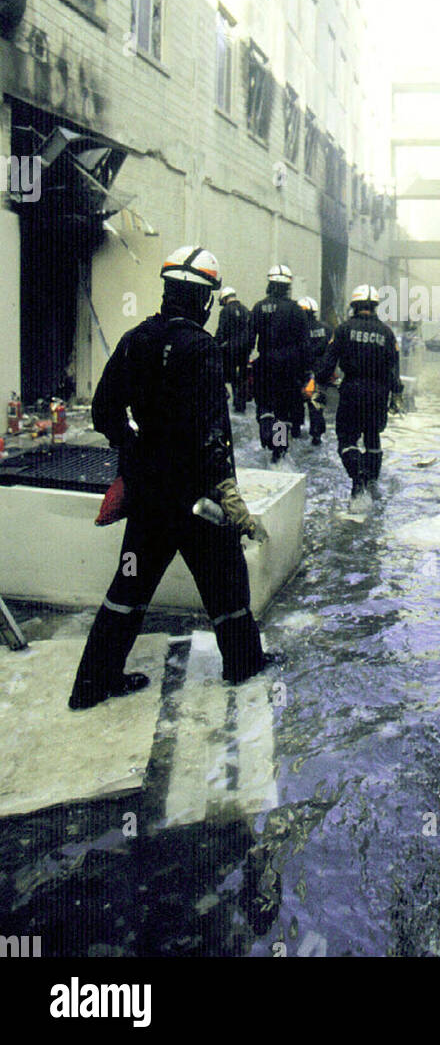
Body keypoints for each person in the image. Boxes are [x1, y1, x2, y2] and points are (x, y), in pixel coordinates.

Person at [68, 246, 268, 710]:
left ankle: (91, 687)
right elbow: (212, 433)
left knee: (129, 585)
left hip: (148, 499)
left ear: (167, 291)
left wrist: (135, 448)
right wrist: (231, 498)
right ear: (203, 301)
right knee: (227, 584)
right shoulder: (202, 349)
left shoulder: (135, 338)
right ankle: (243, 667)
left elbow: (103, 412)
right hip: (198, 502)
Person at [316, 284, 402, 500]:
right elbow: (394, 369)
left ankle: (358, 477)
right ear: (375, 307)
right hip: (378, 394)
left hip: (352, 391)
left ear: (354, 306)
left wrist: (320, 384)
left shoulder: (343, 329)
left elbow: (328, 363)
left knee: (347, 439)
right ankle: (372, 482)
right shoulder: (387, 333)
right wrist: (396, 394)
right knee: (373, 436)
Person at [249, 265, 313, 460]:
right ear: (288, 286)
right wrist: (307, 375)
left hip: (265, 363)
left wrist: (243, 364)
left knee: (264, 404)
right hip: (289, 368)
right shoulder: (296, 309)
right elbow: (304, 345)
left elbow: (249, 339)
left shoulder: (259, 307)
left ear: (270, 284)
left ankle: (266, 428)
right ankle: (279, 452)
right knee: (283, 412)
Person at [297, 296, 328, 445]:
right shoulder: (326, 329)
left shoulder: (294, 329)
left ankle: (281, 446)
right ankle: (317, 437)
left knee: (287, 411)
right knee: (316, 408)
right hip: (318, 376)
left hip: (297, 373)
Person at [216, 286, 252, 413]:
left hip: (230, 349)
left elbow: (221, 331)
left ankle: (227, 398)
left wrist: (217, 344)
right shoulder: (246, 310)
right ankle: (240, 403)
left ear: (225, 299)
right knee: (242, 376)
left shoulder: (225, 311)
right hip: (244, 349)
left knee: (226, 374)